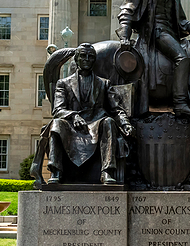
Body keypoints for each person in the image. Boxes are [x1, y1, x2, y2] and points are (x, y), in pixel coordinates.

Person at [45, 43, 134, 185]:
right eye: (83, 56)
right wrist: (73, 115)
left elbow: (116, 109)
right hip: (72, 125)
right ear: (76, 59)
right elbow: (58, 109)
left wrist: (125, 123)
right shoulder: (64, 83)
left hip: (96, 123)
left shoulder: (104, 84)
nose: (87, 59)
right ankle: (56, 171)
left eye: (90, 57)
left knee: (109, 122)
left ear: (94, 60)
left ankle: (107, 172)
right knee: (56, 124)